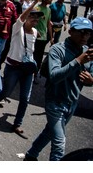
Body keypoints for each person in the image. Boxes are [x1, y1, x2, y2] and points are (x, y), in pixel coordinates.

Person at [24, 17, 93, 161]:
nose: (84, 36)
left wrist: (90, 80)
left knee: (49, 132)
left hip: (72, 103)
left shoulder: (87, 52)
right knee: (59, 145)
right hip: (55, 103)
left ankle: (31, 155)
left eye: (88, 33)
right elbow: (54, 76)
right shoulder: (58, 50)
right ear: (71, 31)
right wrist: (78, 60)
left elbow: (89, 78)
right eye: (81, 32)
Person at [0, 0, 43, 138]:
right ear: (25, 18)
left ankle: (17, 124)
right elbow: (21, 18)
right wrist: (35, 3)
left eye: (37, 18)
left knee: (25, 98)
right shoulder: (17, 28)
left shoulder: (36, 32)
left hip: (27, 69)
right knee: (6, 92)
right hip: (13, 68)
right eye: (32, 17)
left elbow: (30, 51)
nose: (35, 20)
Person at [32, 0, 53, 74]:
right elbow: (31, 22)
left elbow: (48, 24)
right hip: (34, 37)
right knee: (32, 55)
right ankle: (29, 73)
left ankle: (35, 73)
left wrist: (51, 38)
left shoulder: (49, 10)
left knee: (39, 57)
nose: (51, 0)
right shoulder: (37, 8)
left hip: (43, 38)